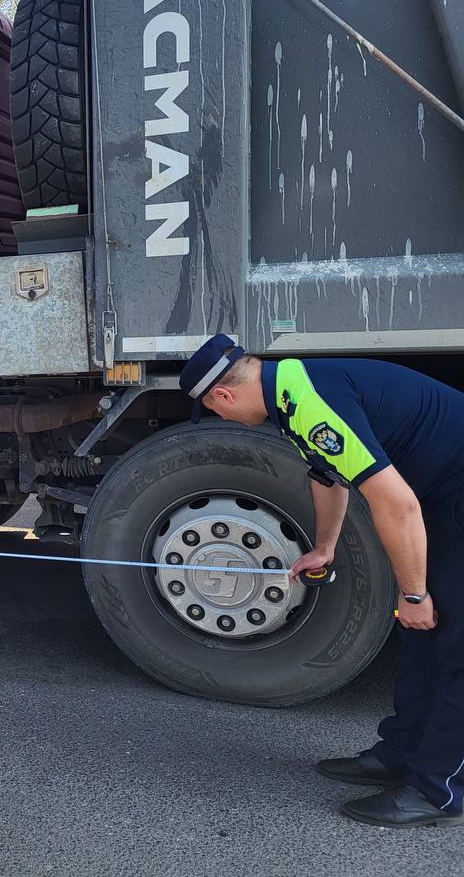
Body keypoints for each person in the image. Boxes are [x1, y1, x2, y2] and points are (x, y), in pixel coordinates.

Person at [180, 333, 464, 828]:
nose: (221, 419)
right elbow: (327, 475)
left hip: (447, 493)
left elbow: (397, 505)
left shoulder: (308, 402)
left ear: (222, 396)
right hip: (444, 491)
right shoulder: (289, 392)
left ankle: (439, 792)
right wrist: (325, 546)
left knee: (455, 643)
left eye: (215, 411)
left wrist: (414, 592)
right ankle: (402, 752)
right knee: (419, 631)